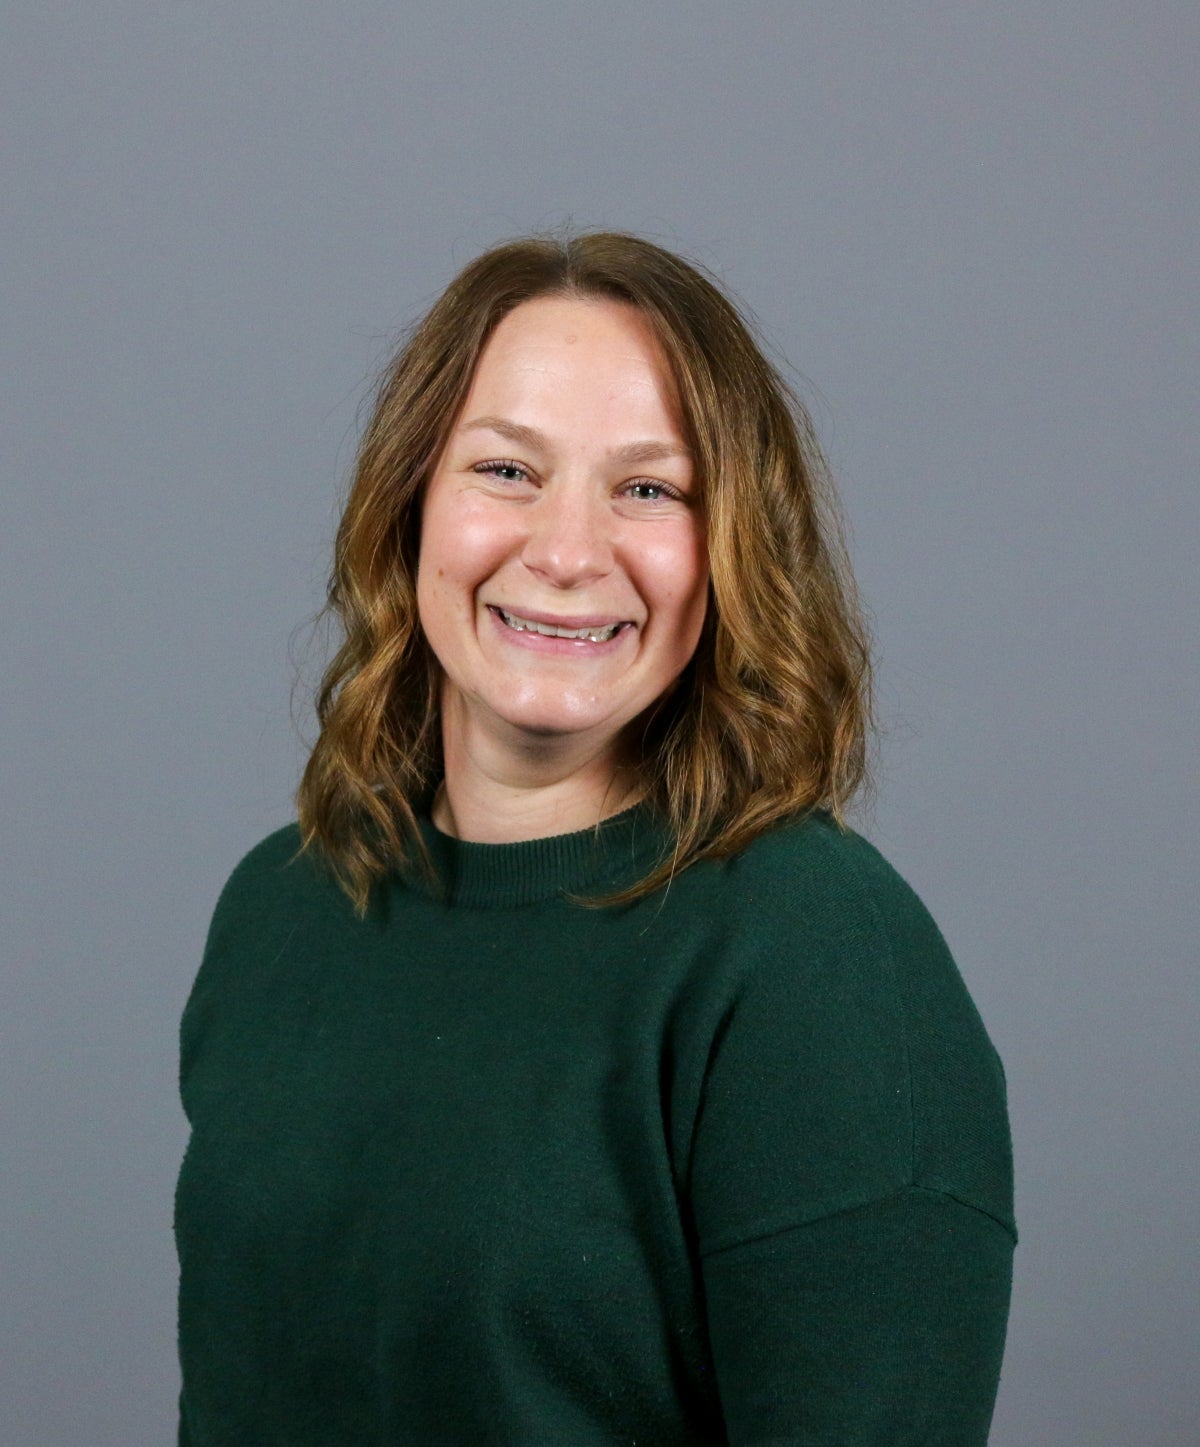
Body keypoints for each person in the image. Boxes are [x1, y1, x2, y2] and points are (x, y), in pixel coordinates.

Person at [175, 231, 1016, 1445]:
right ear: (410, 501)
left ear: (732, 550)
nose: (567, 553)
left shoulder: (818, 964)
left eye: (649, 487)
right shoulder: (284, 907)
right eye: (508, 470)